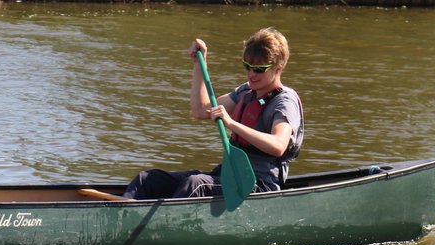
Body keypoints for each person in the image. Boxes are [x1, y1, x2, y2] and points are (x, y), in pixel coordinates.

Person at [122, 28, 304, 200]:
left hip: (259, 185)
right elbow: (201, 110)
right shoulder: (246, 92)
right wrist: (199, 64)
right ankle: (122, 216)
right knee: (148, 179)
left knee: (196, 185)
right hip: (227, 175)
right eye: (247, 66)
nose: (251, 74)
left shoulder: (284, 102)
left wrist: (231, 123)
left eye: (258, 69)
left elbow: (279, 145)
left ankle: (160, 228)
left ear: (278, 68)